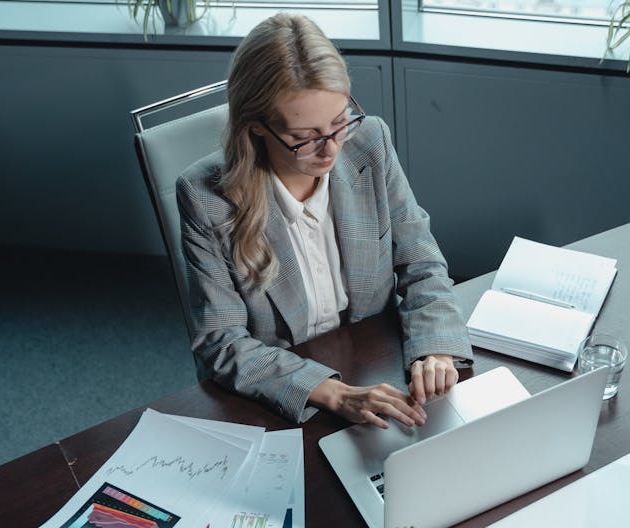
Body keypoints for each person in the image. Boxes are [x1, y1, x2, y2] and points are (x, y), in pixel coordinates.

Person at [176, 13, 472, 429]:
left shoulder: (370, 143)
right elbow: (222, 343)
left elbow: (421, 261)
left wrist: (435, 349)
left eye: (339, 123)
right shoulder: (205, 197)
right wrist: (333, 393)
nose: (331, 149)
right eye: (305, 138)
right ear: (256, 128)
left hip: (377, 364)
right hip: (281, 395)